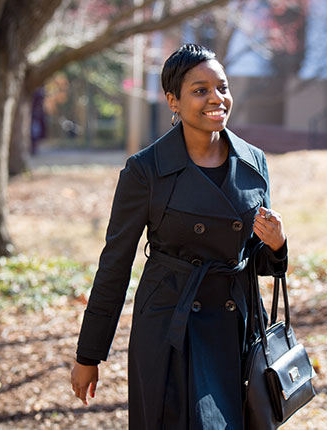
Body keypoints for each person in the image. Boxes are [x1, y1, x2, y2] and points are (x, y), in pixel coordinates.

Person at [69, 44, 288, 429]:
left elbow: (254, 258)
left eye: (221, 87)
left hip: (237, 329)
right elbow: (115, 265)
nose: (216, 98)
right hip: (171, 326)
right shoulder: (145, 171)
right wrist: (89, 354)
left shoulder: (254, 162)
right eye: (200, 90)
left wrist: (277, 246)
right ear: (173, 100)